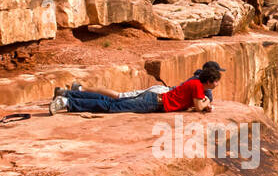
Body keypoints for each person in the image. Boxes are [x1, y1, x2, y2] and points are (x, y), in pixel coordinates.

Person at [50, 63, 223, 115]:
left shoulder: (196, 84)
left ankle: (69, 95)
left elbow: (195, 104)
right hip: (153, 102)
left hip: (154, 98)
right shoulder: (198, 86)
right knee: (112, 106)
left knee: (112, 101)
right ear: (210, 81)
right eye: (216, 82)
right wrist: (206, 102)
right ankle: (68, 103)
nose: (217, 85)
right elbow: (199, 107)